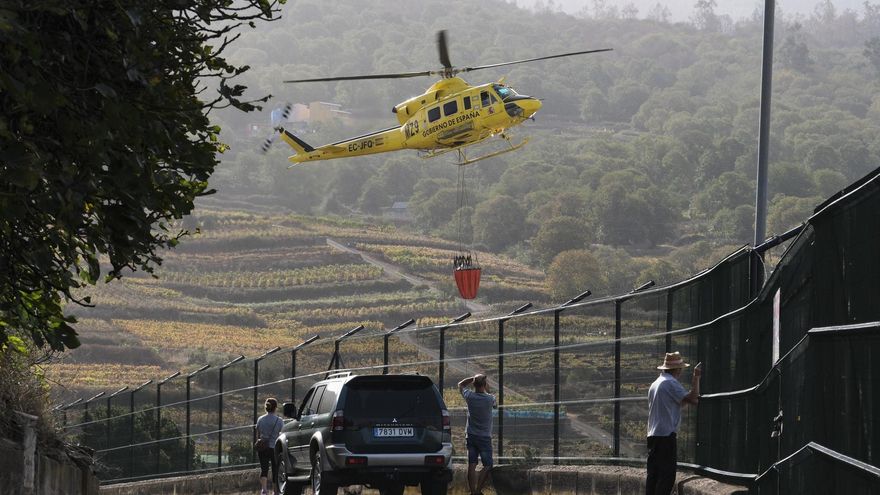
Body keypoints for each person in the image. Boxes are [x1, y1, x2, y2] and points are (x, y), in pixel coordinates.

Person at [645, 352, 702, 495]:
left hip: (653, 434)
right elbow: (694, 400)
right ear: (677, 369)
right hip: (666, 435)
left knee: (653, 475)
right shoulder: (670, 383)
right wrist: (696, 377)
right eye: (681, 368)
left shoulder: (655, 384)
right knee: (667, 477)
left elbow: (674, 404)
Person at [458, 373, 496, 495]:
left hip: (471, 435)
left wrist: (473, 378)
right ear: (484, 385)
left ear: (474, 384)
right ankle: (478, 491)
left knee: (472, 464)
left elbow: (461, 384)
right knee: (488, 465)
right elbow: (494, 402)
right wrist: (484, 384)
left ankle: (472, 491)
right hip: (484, 437)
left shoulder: (469, 396)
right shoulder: (490, 399)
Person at [255, 398, 284, 495]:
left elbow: (258, 435)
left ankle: (264, 490)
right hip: (274, 448)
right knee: (275, 469)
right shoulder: (279, 421)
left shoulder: (260, 419)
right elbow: (282, 435)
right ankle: (275, 491)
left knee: (264, 469)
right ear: (275, 408)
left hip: (263, 447)